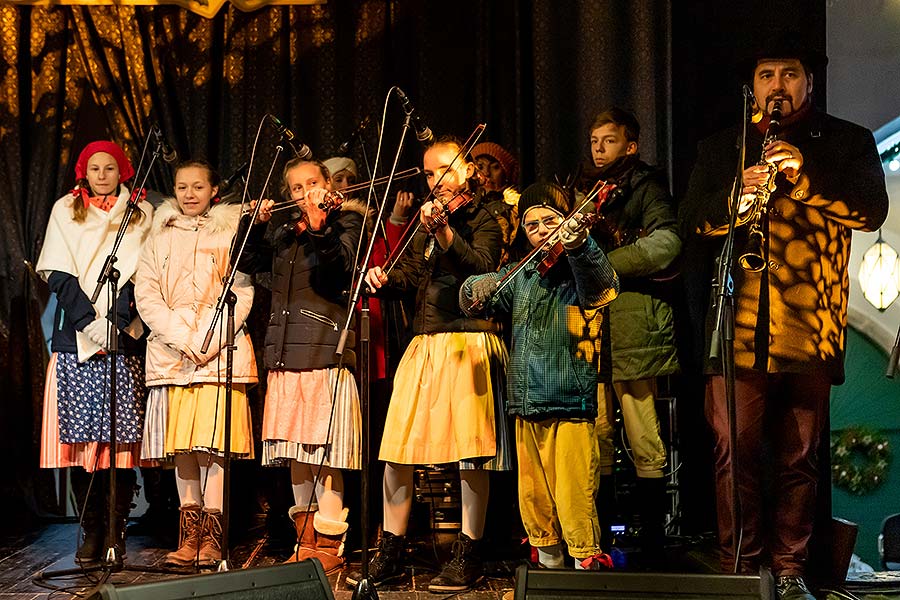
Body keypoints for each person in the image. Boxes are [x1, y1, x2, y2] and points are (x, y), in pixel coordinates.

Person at [678, 34, 888, 600]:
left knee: (800, 458)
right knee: (733, 455)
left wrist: (804, 175)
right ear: (753, 86)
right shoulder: (724, 147)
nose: (778, 85)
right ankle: (741, 572)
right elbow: (691, 222)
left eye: (789, 74)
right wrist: (733, 202)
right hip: (737, 327)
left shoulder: (847, 141)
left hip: (809, 326)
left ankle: (791, 571)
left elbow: (870, 211)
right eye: (767, 74)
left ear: (810, 83)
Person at [349, 136, 510, 593]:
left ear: (467, 172)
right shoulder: (424, 221)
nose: (433, 180)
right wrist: (382, 279)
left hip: (467, 342)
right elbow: (412, 278)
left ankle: (468, 552)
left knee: (470, 454)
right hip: (424, 344)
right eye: (427, 173)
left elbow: (481, 267)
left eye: (441, 170)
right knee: (397, 451)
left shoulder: (488, 217)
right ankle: (392, 548)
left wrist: (443, 232)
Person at [459, 182, 620, 570]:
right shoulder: (526, 274)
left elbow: (603, 289)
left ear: (567, 220)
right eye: (533, 225)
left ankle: (585, 567)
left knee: (574, 496)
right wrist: (478, 286)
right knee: (534, 501)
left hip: (568, 399)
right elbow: (474, 298)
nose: (542, 229)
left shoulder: (577, 265)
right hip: (526, 400)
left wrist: (580, 243)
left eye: (551, 220)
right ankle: (549, 567)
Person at [237, 158, 365, 574]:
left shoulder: (346, 221)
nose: (304, 191)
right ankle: (305, 543)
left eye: (312, 182)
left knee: (325, 456)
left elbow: (340, 268)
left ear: (327, 184)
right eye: (296, 187)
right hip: (285, 356)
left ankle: (330, 545)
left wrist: (319, 226)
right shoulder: (284, 231)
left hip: (324, 353)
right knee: (296, 455)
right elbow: (248, 261)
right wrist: (254, 224)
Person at [36, 140, 154, 565]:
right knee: (84, 443)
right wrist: (90, 322)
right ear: (83, 172)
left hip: (123, 339)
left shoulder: (141, 215)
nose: (102, 175)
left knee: (119, 444)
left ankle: (116, 531)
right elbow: (59, 272)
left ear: (122, 170)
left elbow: (145, 272)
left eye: (110, 167)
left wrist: (118, 322)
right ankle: (90, 530)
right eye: (94, 168)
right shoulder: (65, 210)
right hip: (78, 339)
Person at [135, 160, 257, 567]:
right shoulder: (156, 238)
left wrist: (207, 340)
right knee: (183, 449)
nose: (189, 194)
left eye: (198, 187)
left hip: (217, 351)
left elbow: (241, 290)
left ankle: (213, 538)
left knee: (212, 448)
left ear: (213, 191)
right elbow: (147, 294)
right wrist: (182, 338)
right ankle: (189, 537)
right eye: (182, 186)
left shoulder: (228, 234)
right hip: (173, 353)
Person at [584, 107, 681, 566]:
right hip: (593, 325)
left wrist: (603, 264)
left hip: (634, 321)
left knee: (643, 434)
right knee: (598, 431)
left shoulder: (646, 186)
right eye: (594, 141)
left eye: (608, 140)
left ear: (631, 144)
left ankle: (655, 546)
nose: (599, 149)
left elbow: (667, 244)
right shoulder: (587, 191)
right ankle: (601, 540)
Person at [472, 141, 521, 266]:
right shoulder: (468, 206)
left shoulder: (515, 206)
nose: (487, 173)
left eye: (495, 167)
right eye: (480, 166)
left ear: (505, 174)